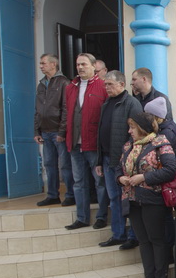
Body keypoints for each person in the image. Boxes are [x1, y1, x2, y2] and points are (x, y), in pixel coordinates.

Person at [119, 112, 176, 278]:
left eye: (132, 127)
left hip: (152, 199)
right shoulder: (129, 146)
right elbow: (117, 168)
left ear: (142, 128)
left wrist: (144, 177)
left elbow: (170, 170)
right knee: (143, 240)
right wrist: (120, 178)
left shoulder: (161, 143)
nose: (129, 131)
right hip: (132, 198)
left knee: (156, 239)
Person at [60, 53, 109, 230]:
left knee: (100, 183)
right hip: (75, 144)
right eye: (78, 64)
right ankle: (82, 217)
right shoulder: (70, 88)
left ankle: (102, 216)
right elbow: (67, 114)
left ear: (93, 65)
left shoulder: (102, 86)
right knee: (78, 182)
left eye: (84, 64)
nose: (80, 68)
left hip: (94, 145)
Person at [95, 70, 142, 247]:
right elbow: (101, 133)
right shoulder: (106, 103)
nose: (106, 87)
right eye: (105, 84)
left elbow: (137, 134)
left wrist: (129, 158)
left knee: (129, 199)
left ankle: (133, 236)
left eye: (110, 84)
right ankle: (118, 234)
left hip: (124, 160)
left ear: (122, 85)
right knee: (113, 198)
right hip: (107, 159)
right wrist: (99, 160)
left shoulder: (131, 103)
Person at [34, 53, 75, 207]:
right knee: (49, 165)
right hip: (45, 132)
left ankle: (70, 195)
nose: (41, 66)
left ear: (53, 64)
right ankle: (52, 195)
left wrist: (62, 132)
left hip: (58, 132)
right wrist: (36, 131)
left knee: (65, 165)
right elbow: (37, 109)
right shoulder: (41, 84)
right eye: (40, 63)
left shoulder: (64, 83)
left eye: (43, 63)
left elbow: (67, 109)